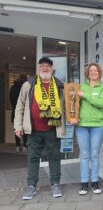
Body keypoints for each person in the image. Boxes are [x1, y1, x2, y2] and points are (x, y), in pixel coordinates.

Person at [14, 57, 65, 200]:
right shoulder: (28, 84)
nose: (45, 68)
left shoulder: (60, 85)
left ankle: (55, 184)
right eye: (42, 66)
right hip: (34, 129)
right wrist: (18, 126)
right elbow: (20, 107)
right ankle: (31, 186)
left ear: (52, 68)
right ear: (38, 68)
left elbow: (68, 105)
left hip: (53, 129)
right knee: (33, 158)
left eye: (48, 66)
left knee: (54, 157)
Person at [75, 63, 103, 195]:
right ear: (87, 73)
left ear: (99, 73)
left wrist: (86, 96)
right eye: (91, 70)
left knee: (94, 155)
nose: (93, 72)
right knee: (84, 155)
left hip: (98, 126)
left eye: (96, 70)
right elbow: (74, 102)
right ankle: (84, 183)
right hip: (82, 125)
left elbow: (101, 103)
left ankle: (95, 182)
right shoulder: (80, 87)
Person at [10, 74, 28, 153]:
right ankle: (24, 146)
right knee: (25, 130)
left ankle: (17, 146)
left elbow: (11, 100)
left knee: (17, 129)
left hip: (15, 110)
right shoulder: (26, 87)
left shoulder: (13, 87)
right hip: (25, 111)